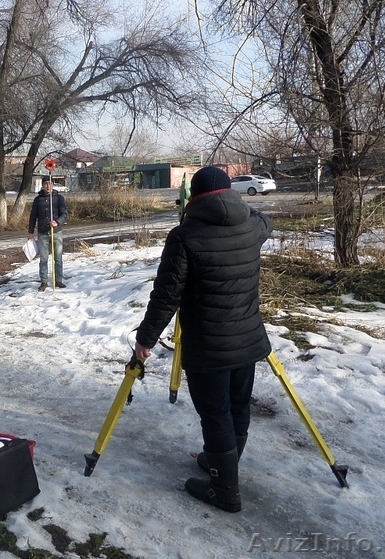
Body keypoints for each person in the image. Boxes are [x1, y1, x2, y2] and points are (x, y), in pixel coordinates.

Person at [133, 165, 273, 513]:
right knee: (238, 406)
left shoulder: (185, 236)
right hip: (247, 338)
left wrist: (145, 339)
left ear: (193, 197)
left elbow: (167, 296)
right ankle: (222, 461)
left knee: (215, 415)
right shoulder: (253, 225)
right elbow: (263, 220)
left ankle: (224, 488)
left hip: (209, 346)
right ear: (229, 193)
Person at [28, 176, 68, 291]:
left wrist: (57, 222)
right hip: (43, 233)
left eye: (50, 183)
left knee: (58, 258)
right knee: (44, 259)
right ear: (42, 185)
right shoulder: (38, 199)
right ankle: (44, 281)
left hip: (56, 233)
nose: (48, 186)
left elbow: (64, 214)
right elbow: (33, 217)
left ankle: (58, 280)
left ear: (53, 185)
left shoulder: (59, 198)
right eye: (45, 184)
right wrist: (31, 232)